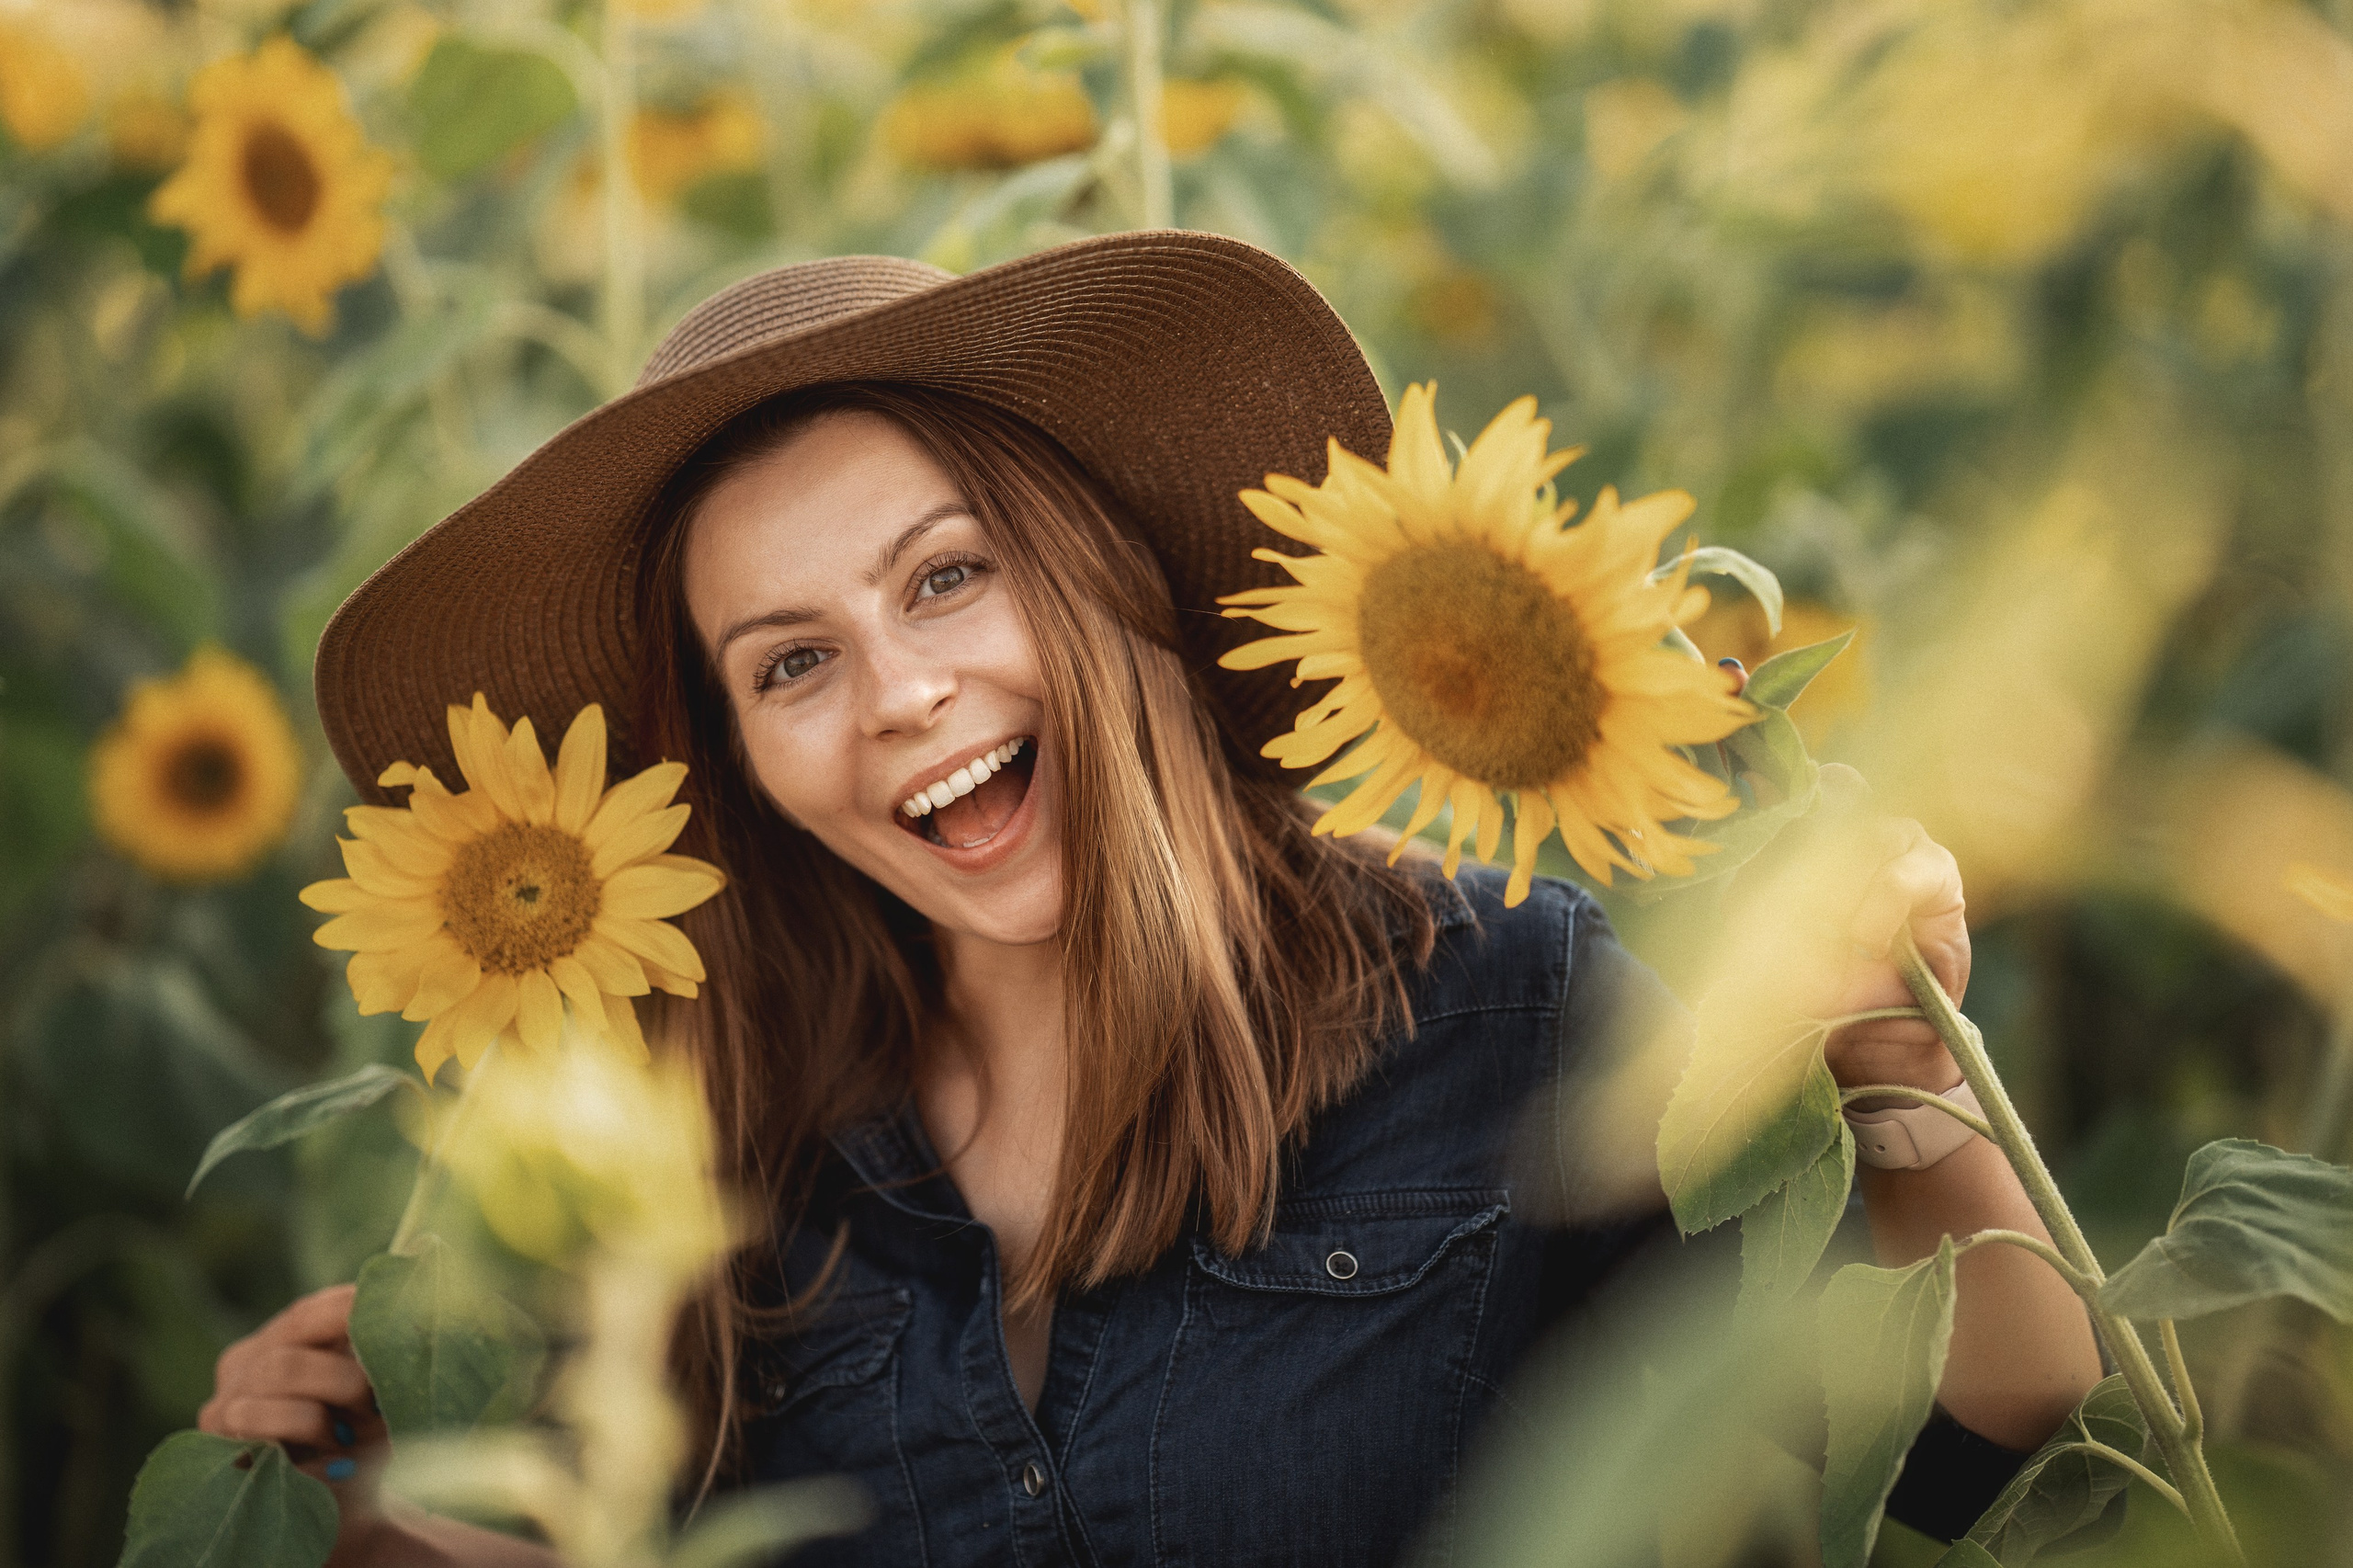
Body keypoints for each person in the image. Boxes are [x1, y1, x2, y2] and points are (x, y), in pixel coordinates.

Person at [200, 233, 2102, 1566]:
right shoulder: (727, 1159)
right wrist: (369, 1503)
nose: (897, 694)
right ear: (737, 771)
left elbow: (1943, 1448)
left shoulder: (1495, 1002)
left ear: (1100, 576)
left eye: (944, 579)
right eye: (790, 664)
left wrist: (1889, 1071)